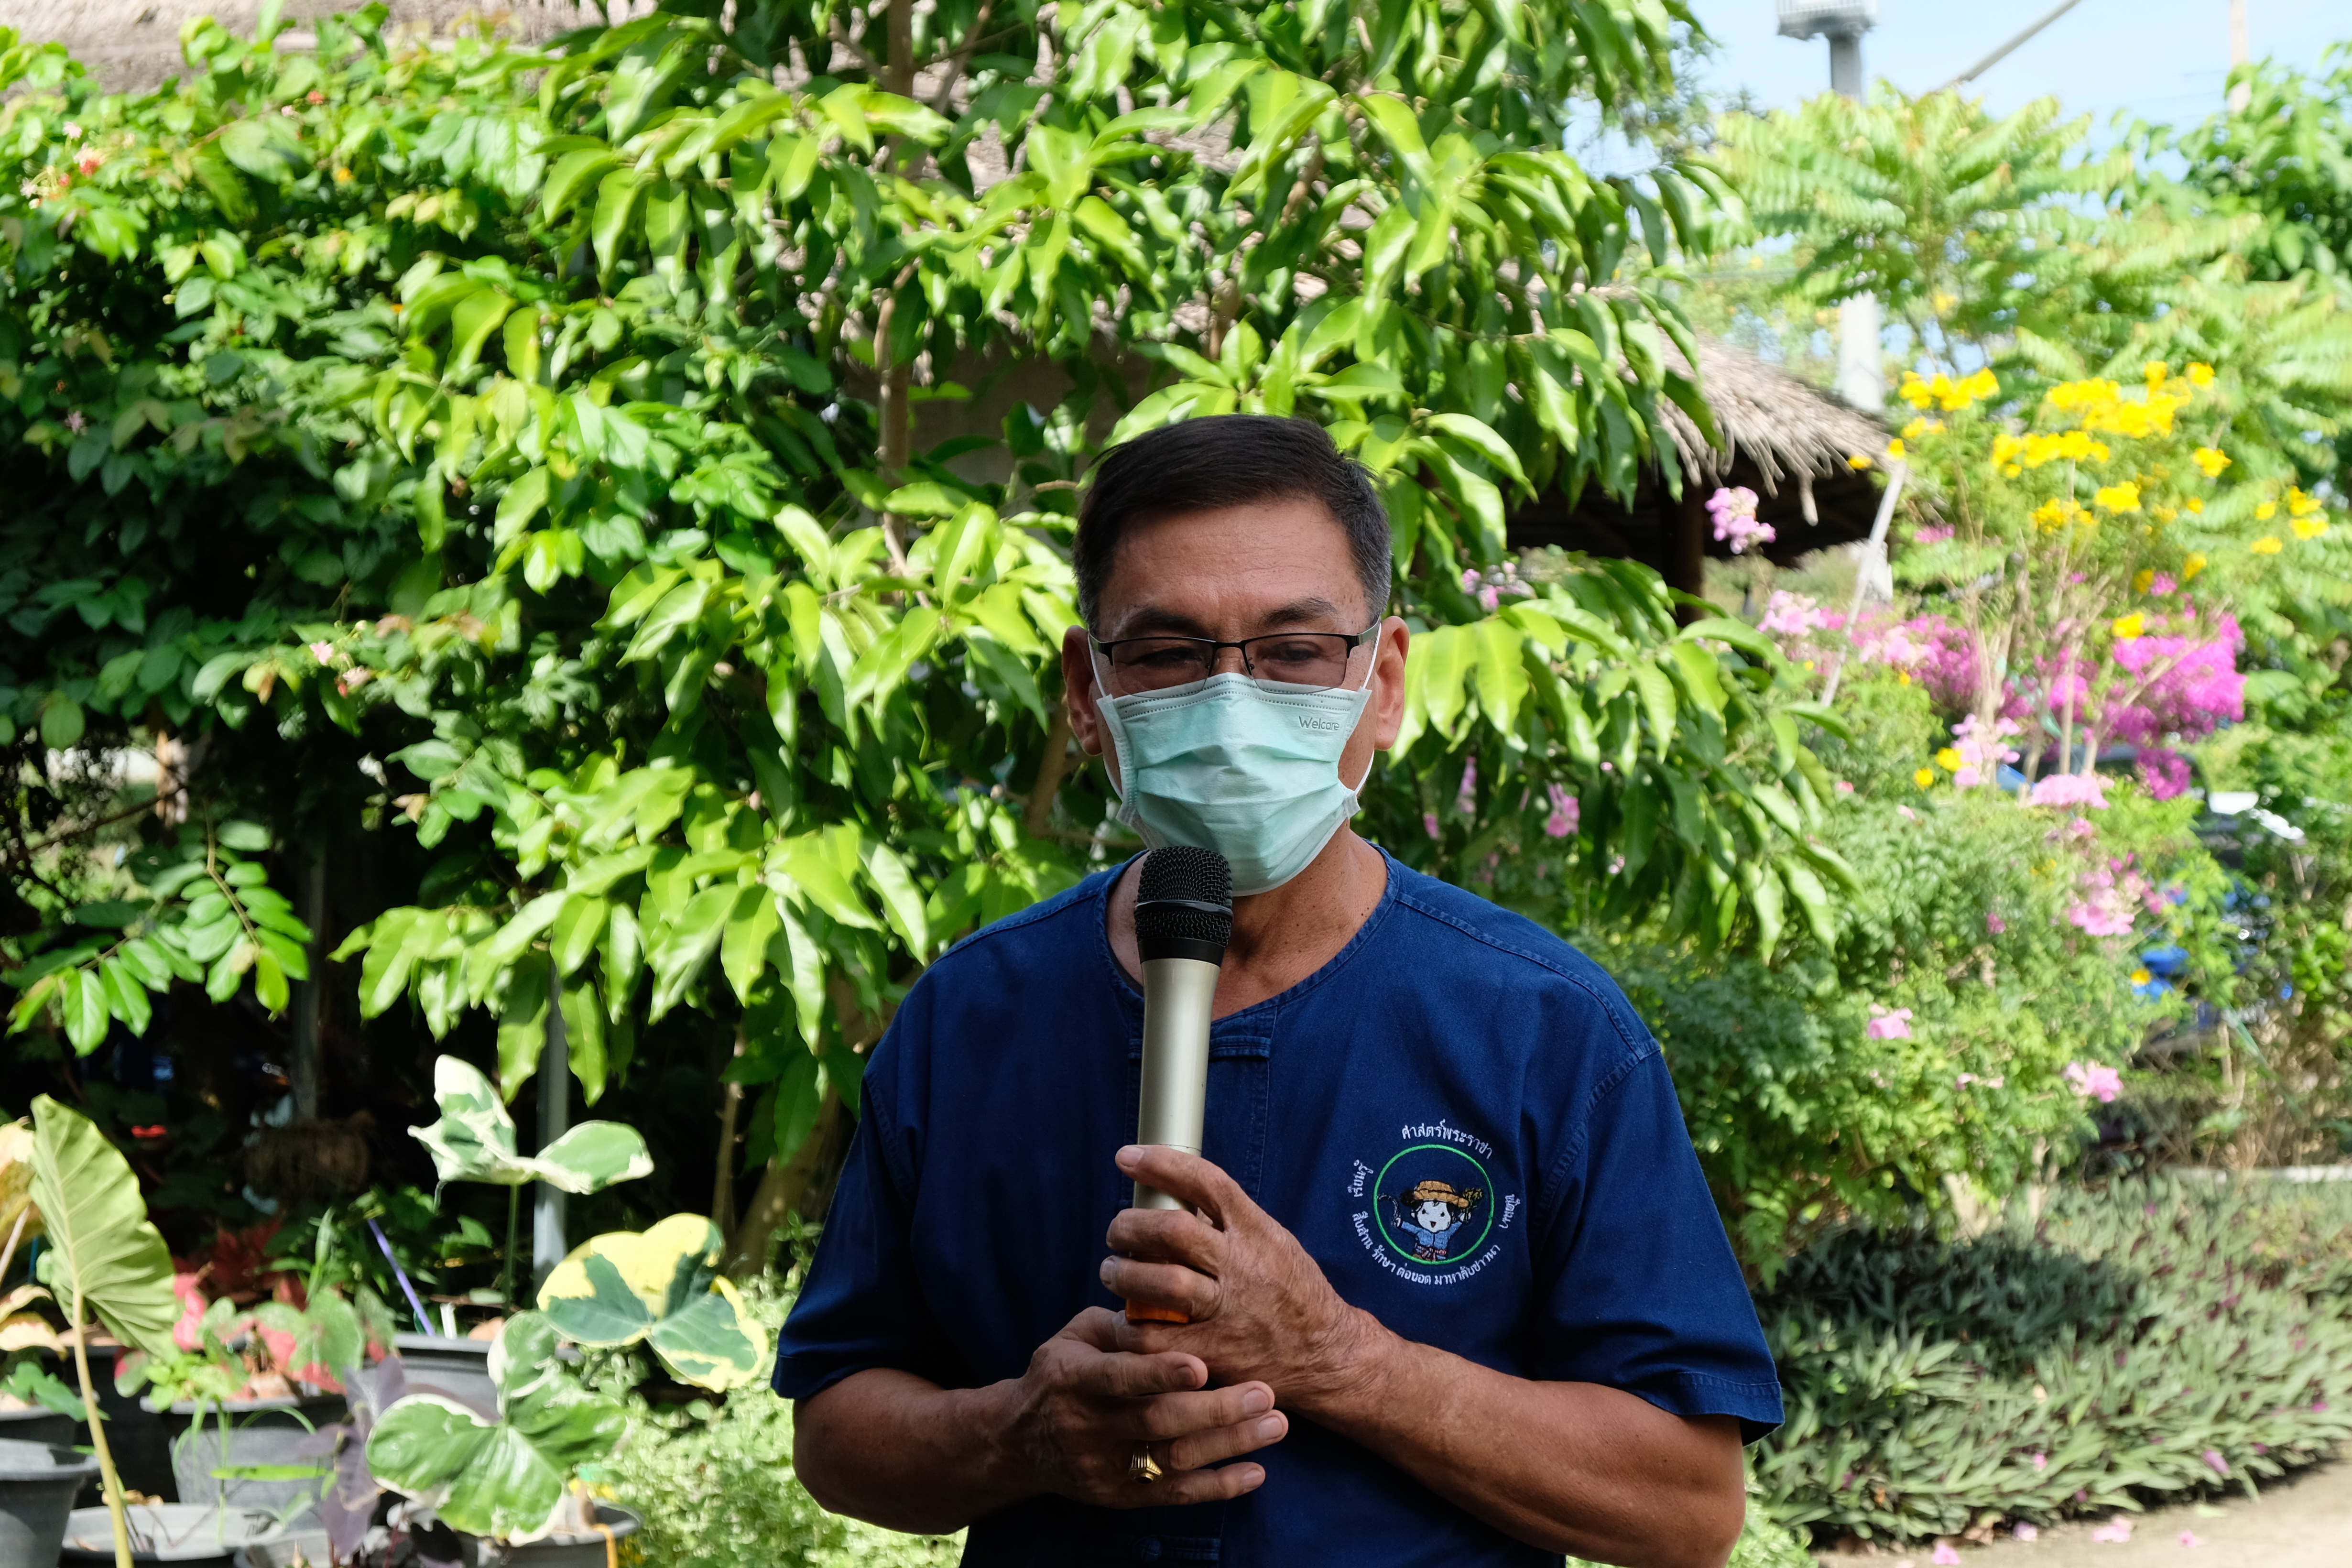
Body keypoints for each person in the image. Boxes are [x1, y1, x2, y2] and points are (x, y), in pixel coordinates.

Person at [775, 415, 1782, 1568]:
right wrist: (1015, 1435)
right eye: (1167, 654)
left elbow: (1690, 1506)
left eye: (1295, 650)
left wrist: (1347, 1359)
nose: (1233, 705)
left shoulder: (1545, 1030)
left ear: (1383, 681)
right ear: (1086, 691)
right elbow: (838, 1424)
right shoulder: (970, 1020)